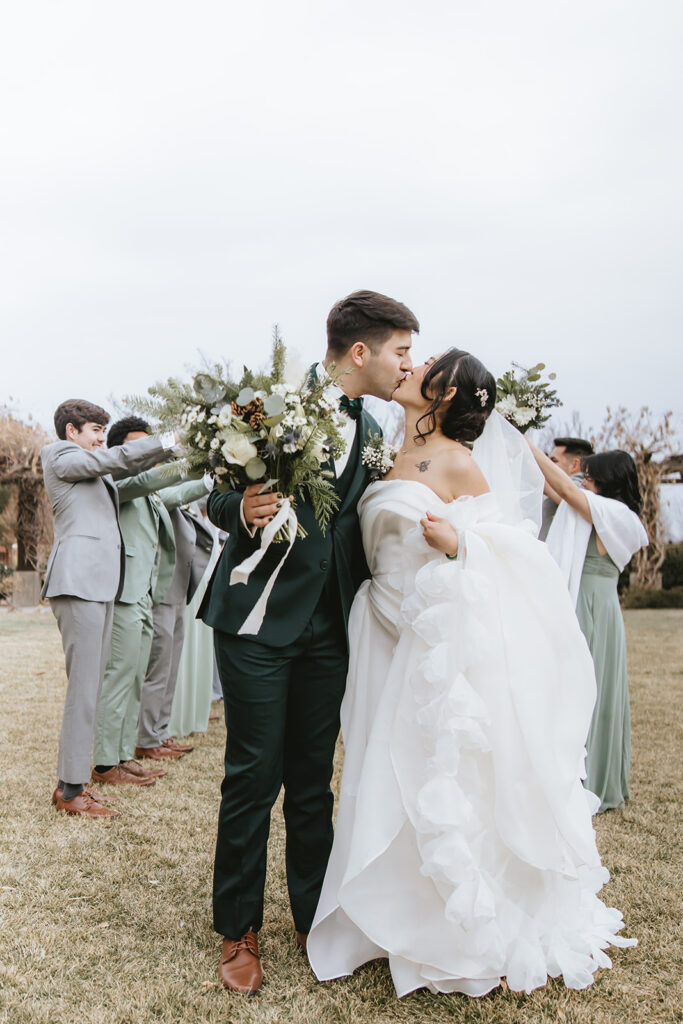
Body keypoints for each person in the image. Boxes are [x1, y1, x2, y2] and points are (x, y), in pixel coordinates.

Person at [307, 350, 636, 998]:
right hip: (378, 629)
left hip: (429, 641)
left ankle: (445, 925)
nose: (411, 365)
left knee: (426, 770)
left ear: (446, 393)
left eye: (425, 363)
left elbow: (517, 555)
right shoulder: (384, 453)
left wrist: (462, 544)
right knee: (378, 766)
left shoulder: (459, 462)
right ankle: (381, 914)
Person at [199, 289, 418, 994]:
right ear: (359, 352)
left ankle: (314, 916)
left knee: (313, 782)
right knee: (252, 776)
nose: (405, 364)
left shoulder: (374, 428)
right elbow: (213, 491)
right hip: (258, 622)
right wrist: (242, 505)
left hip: (331, 627)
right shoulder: (266, 404)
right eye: (400, 351)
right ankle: (238, 928)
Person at [41, 399, 177, 818]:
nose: (102, 438)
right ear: (71, 432)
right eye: (95, 430)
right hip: (78, 583)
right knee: (83, 690)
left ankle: (77, 783)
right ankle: (70, 790)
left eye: (103, 430)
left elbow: (138, 472)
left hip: (100, 586)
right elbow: (118, 458)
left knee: (92, 688)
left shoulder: (96, 473)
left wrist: (191, 454)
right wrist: (170, 438)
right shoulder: (59, 455)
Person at [529, 443, 648, 812]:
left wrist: (523, 440)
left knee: (587, 690)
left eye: (591, 479)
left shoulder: (616, 515)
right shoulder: (595, 511)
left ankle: (591, 782)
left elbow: (565, 489)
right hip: (597, 604)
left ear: (608, 483)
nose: (585, 483)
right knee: (582, 687)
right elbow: (555, 487)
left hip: (590, 606)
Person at [91, 417, 209, 789]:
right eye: (138, 447)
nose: (145, 453)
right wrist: (177, 447)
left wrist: (211, 474)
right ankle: (105, 763)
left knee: (135, 679)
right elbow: (151, 478)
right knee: (119, 678)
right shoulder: (117, 482)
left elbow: (174, 493)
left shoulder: (148, 494)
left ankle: (124, 755)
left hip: (145, 594)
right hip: (124, 592)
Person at [134, 483, 214, 760]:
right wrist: (204, 479)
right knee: (158, 668)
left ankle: (160, 732)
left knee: (170, 670)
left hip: (180, 588)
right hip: (161, 589)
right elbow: (174, 496)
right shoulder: (159, 484)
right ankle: (146, 739)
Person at [168, 501, 221, 738]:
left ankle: (194, 708)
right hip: (184, 571)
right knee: (184, 649)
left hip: (203, 569)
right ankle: (176, 716)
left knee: (199, 650)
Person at [538, 436, 594, 540]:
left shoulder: (582, 488)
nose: (547, 466)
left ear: (575, 465)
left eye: (553, 461)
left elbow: (569, 495)